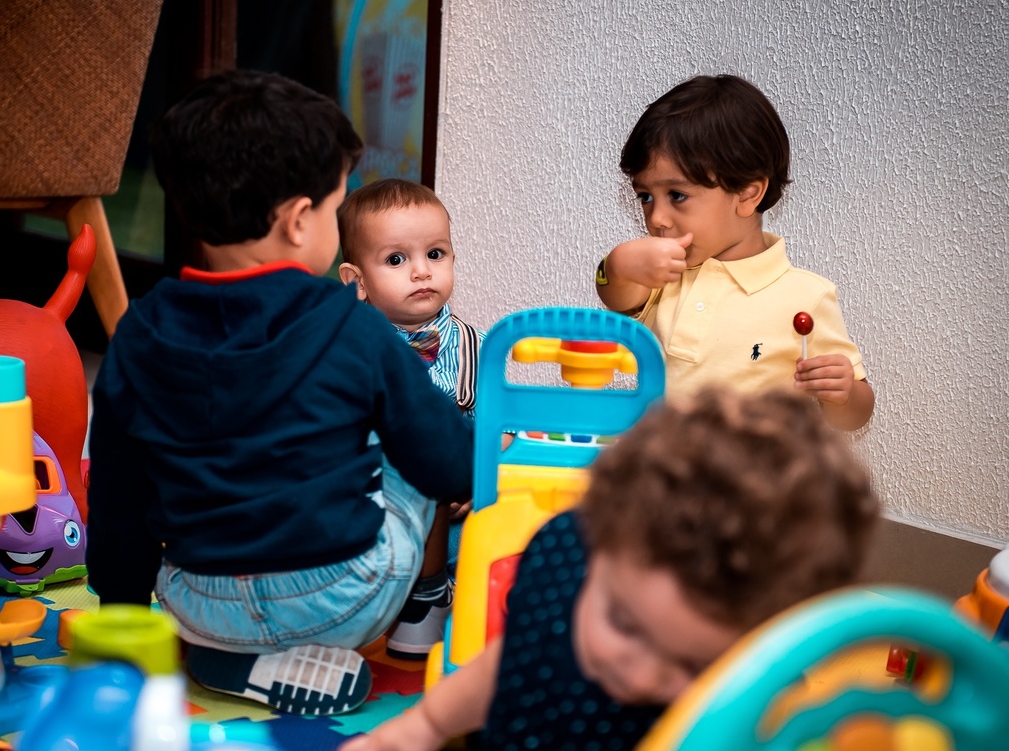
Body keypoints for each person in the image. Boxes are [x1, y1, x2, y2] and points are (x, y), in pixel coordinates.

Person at [85, 69, 475, 717]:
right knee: (414, 438)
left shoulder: (140, 331)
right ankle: (422, 613)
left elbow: (117, 491)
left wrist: (121, 616)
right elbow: (447, 463)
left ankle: (227, 653)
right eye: (333, 209)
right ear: (298, 221)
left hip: (197, 601)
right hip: (342, 598)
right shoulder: (355, 326)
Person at [340, 387, 880, 751]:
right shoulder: (565, 557)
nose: (640, 676)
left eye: (694, 667)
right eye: (623, 622)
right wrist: (422, 726)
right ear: (597, 545)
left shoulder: (755, 713)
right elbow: (513, 664)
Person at [595, 74, 875, 431]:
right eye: (645, 197)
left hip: (753, 468)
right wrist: (619, 264)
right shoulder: (663, 275)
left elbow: (853, 418)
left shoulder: (806, 297)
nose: (657, 218)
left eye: (677, 195)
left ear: (747, 194)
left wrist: (844, 393)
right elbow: (615, 294)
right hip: (660, 463)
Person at [336, 178, 483, 656]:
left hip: (450, 512)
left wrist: (477, 479)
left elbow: (493, 427)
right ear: (356, 282)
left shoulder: (474, 347)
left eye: (435, 254)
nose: (421, 271)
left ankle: (433, 596)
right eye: (397, 260)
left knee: (492, 536)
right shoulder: (347, 352)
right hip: (374, 507)